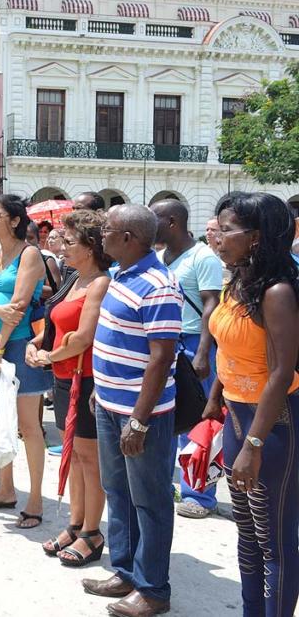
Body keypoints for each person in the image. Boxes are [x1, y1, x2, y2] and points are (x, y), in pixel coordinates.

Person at [204, 192, 299, 617]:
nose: (216, 236)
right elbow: (227, 351)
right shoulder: (236, 282)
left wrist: (254, 444)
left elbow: (281, 372)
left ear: (256, 237)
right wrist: (214, 400)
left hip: (272, 426)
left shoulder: (277, 292)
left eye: (226, 230)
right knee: (246, 533)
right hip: (236, 417)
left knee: (275, 540)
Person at [83, 204, 181, 617]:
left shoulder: (159, 285)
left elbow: (160, 359)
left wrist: (139, 420)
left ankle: (153, 589)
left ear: (129, 238)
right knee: (118, 492)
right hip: (109, 404)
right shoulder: (123, 275)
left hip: (145, 416)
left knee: (151, 501)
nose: (101, 235)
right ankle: (124, 571)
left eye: (107, 230)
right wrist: (102, 390)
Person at [26, 210, 111, 566]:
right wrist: (38, 345)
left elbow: (84, 337)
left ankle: (92, 531)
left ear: (90, 247)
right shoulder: (74, 278)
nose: (62, 246)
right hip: (64, 375)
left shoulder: (100, 283)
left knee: (89, 459)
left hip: (85, 378)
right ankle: (76, 523)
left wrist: (50, 356)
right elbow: (58, 324)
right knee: (74, 455)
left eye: (70, 241)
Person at [0, 195, 49, 527]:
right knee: (0, 416)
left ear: (15, 220)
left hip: (16, 347)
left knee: (28, 426)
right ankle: (5, 489)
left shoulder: (29, 254)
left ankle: (34, 499)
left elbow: (18, 307)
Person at [151, 198, 224, 519]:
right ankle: (164, 483)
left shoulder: (202, 257)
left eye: (153, 220)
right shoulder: (158, 257)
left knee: (198, 420)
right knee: (165, 416)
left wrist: (205, 352)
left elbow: (211, 305)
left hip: (196, 342)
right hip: (166, 343)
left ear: (171, 222)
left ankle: (200, 494)